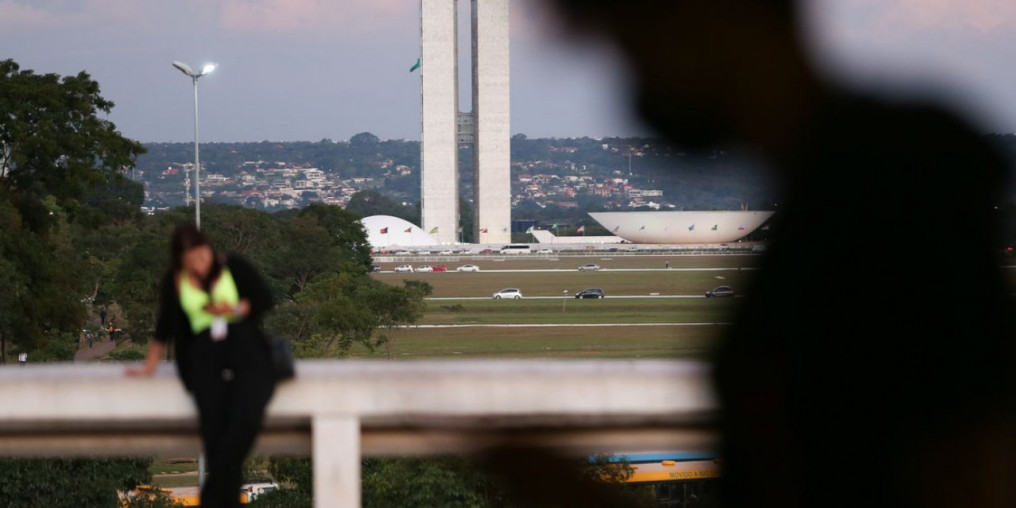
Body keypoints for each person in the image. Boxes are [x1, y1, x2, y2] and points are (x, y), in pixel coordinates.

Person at [548, 1, 1016, 507]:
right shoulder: (844, 181)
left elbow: (950, 455)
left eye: (636, 45)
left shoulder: (898, 185)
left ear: (720, 25)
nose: (636, 82)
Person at [128, 224, 277, 508]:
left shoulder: (234, 267)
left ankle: (210, 499)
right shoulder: (176, 282)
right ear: (180, 260)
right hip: (203, 364)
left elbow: (264, 299)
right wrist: (149, 366)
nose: (200, 264)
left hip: (246, 357)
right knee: (215, 436)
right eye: (192, 260)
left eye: (203, 256)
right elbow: (165, 327)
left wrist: (232, 310)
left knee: (242, 424)